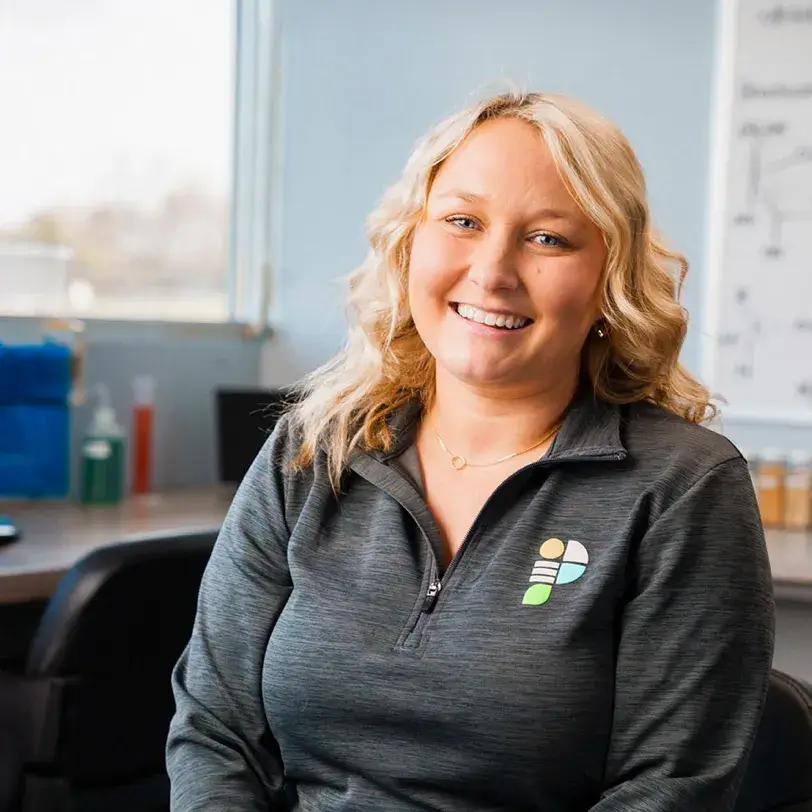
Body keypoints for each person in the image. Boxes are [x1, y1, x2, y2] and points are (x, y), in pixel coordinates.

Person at [167, 91, 774, 812]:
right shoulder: (313, 449)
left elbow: (671, 790)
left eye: (549, 238)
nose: (492, 271)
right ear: (409, 242)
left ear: (611, 276)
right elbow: (215, 732)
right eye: (462, 222)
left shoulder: (683, 487)